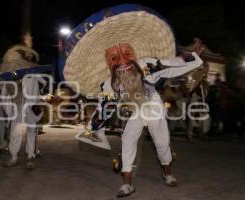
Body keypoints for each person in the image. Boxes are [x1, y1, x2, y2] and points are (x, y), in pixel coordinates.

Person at [61, 4, 203, 197]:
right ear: (107, 64)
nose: (122, 61)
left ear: (135, 55)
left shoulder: (146, 66)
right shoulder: (110, 85)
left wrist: (191, 56)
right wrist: (94, 129)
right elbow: (105, 107)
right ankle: (127, 184)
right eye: (113, 57)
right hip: (133, 112)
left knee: (162, 143)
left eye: (127, 54)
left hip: (153, 107)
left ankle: (167, 173)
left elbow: (173, 65)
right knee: (127, 141)